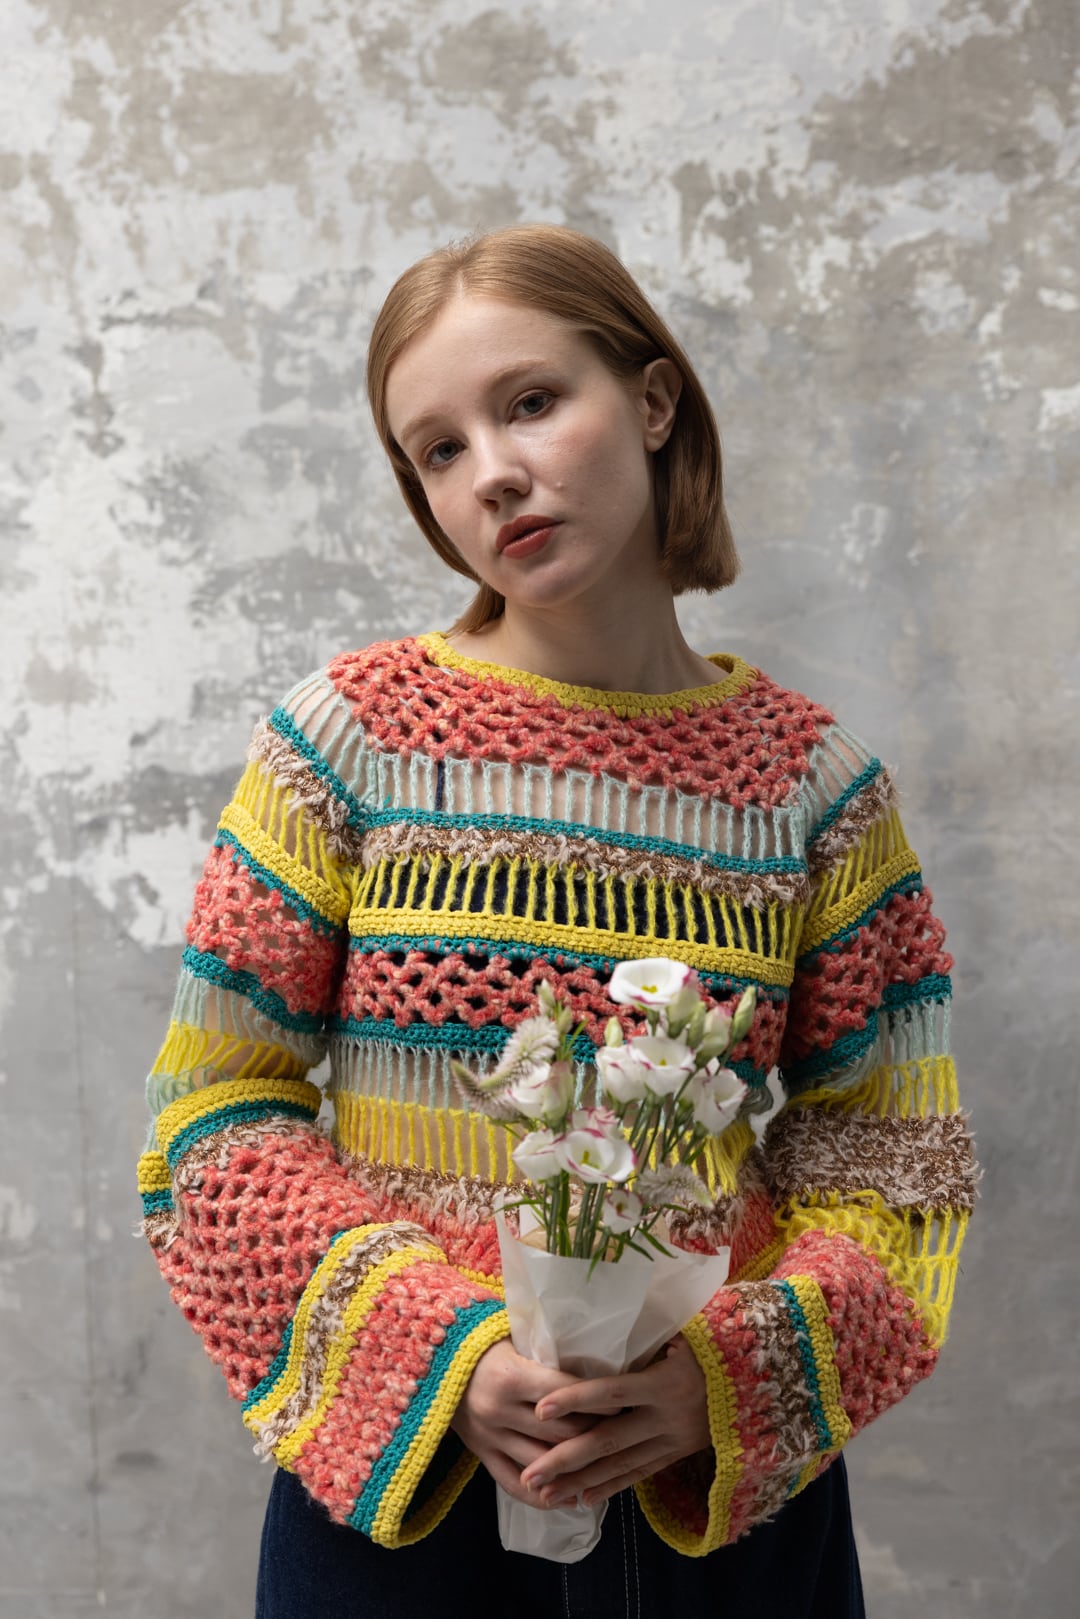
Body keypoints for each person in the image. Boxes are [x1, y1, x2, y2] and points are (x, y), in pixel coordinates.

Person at [138, 224, 978, 1618]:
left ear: (653, 402)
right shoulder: (348, 745)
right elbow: (210, 1114)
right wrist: (443, 1354)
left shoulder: (813, 792)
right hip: (408, 1500)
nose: (493, 472)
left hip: (719, 1514)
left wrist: (723, 1380)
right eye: (439, 450)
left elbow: (894, 1158)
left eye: (530, 402)